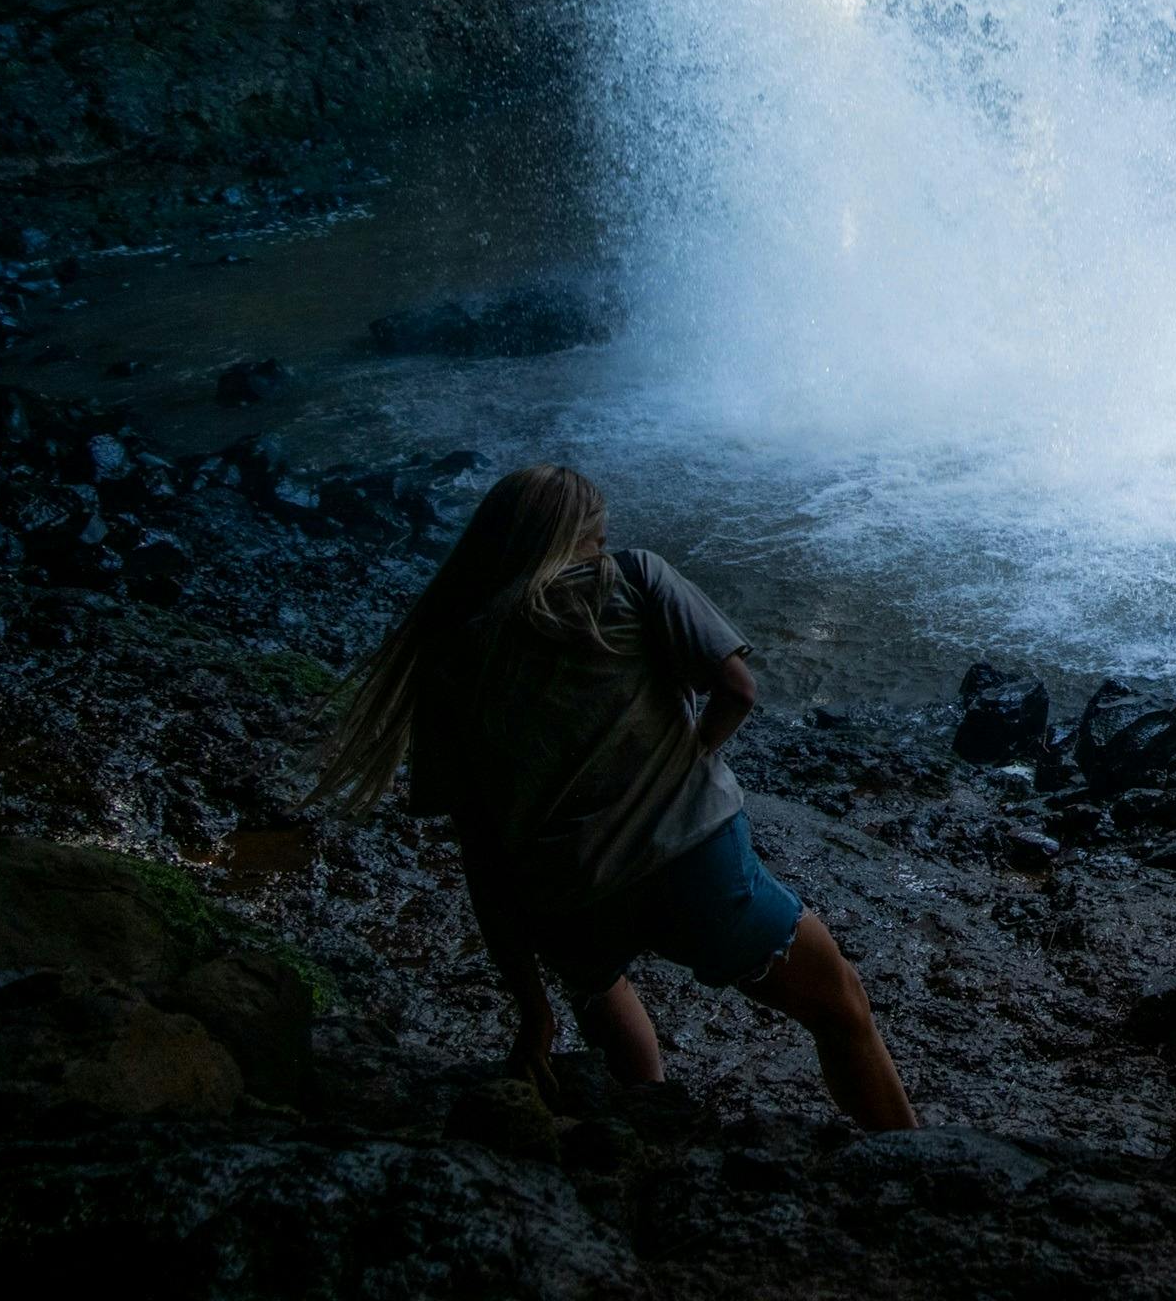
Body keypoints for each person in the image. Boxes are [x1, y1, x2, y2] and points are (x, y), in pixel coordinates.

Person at [313, 464, 917, 1129]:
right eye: (597, 538)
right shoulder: (632, 577)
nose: (602, 549)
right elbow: (739, 690)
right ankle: (911, 1160)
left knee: (598, 986)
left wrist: (532, 1010)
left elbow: (481, 848)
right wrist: (691, 756)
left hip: (569, 899)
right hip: (696, 868)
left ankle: (646, 1128)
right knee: (841, 1007)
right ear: (580, 539)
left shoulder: (453, 655)